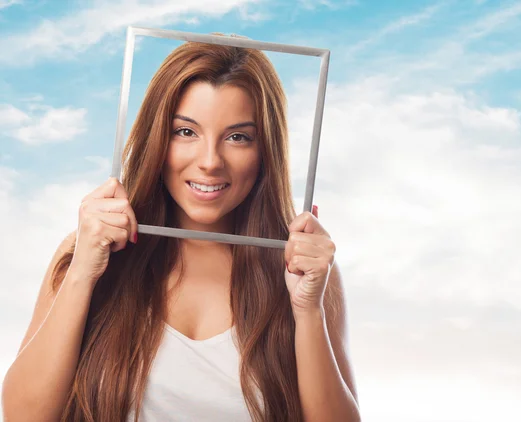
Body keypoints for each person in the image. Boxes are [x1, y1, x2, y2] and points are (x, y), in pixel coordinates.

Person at [1, 36, 360, 422]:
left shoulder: (304, 270)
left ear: (265, 150)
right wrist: (81, 275)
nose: (209, 162)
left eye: (238, 137)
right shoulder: (88, 252)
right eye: (186, 132)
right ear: (158, 137)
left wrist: (308, 312)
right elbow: (22, 416)